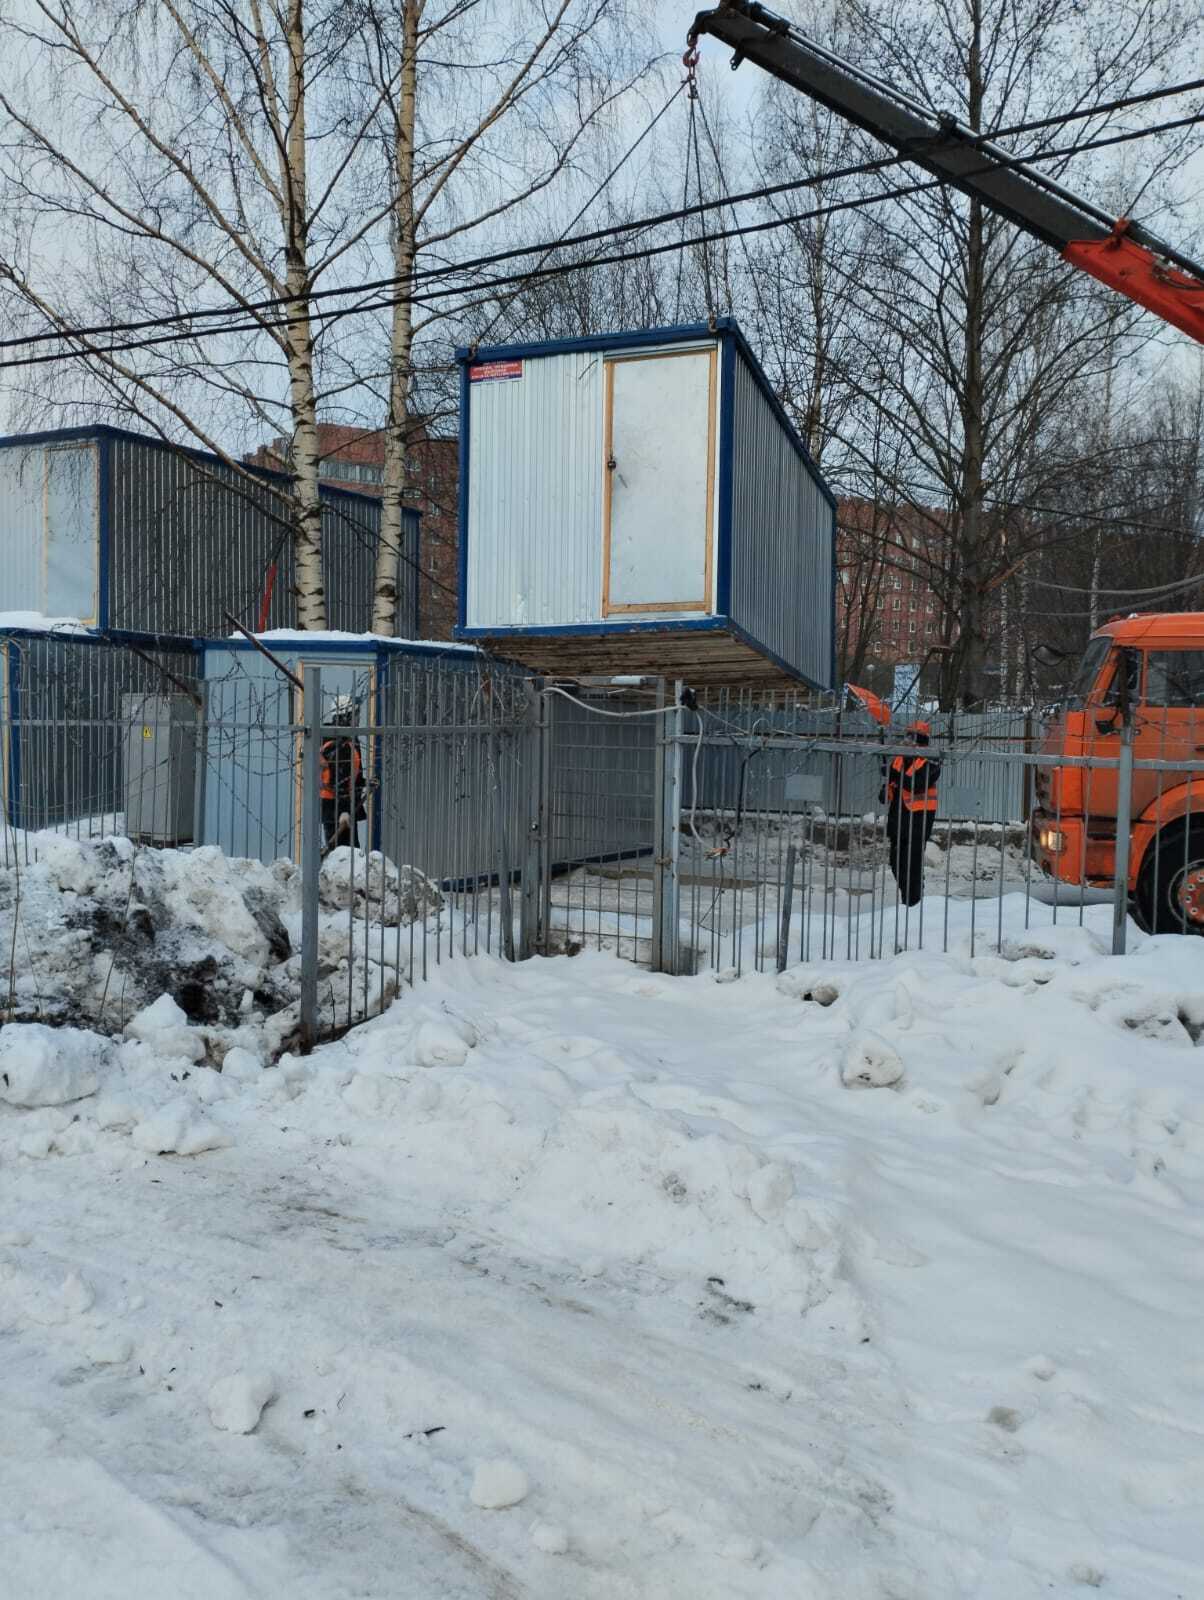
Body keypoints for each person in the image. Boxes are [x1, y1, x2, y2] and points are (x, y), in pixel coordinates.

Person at [881, 721, 941, 906]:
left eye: (910, 736)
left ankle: (912, 904)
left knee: (912, 867)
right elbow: (891, 788)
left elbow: (917, 784)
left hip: (918, 823)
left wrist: (893, 776)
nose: (906, 740)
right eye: (906, 736)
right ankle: (908, 896)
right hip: (897, 821)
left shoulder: (931, 760)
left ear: (919, 739)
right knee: (896, 864)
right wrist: (886, 789)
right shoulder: (900, 759)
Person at [320, 694, 369, 851]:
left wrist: (366, 782)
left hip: (346, 808)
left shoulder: (350, 740)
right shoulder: (337, 745)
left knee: (350, 855)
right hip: (336, 811)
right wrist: (343, 812)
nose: (358, 718)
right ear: (345, 716)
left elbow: (352, 777)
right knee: (343, 857)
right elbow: (336, 782)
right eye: (356, 714)